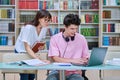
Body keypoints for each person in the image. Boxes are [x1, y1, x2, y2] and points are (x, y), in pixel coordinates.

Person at [46, 14, 90, 80]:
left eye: (76, 29)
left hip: (74, 72)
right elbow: (55, 58)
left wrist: (82, 67)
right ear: (65, 27)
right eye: (72, 29)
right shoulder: (55, 39)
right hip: (57, 71)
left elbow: (85, 58)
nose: (74, 31)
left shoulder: (82, 39)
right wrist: (73, 61)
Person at [15, 9, 52, 80]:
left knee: (32, 75)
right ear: (39, 19)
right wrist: (38, 59)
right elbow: (26, 47)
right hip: (21, 51)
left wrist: (41, 47)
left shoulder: (44, 28)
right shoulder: (28, 28)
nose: (47, 22)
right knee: (25, 75)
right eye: (45, 20)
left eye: (49, 20)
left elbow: (37, 41)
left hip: (31, 51)